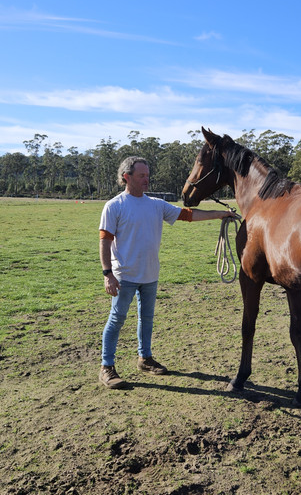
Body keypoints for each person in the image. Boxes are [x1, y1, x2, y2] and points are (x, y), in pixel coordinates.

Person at [99, 155, 235, 388]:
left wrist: (220, 214)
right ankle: (107, 367)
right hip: (124, 276)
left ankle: (145, 358)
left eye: (148, 176)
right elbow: (104, 241)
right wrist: (107, 274)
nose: (146, 180)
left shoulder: (156, 204)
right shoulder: (114, 206)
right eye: (142, 175)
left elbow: (188, 215)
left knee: (147, 319)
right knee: (117, 319)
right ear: (126, 177)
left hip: (150, 275)